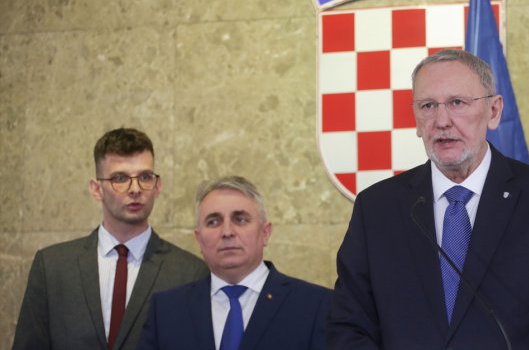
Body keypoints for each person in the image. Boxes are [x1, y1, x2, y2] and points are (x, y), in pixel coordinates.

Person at [327, 50, 529, 349]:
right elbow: (348, 325)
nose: (442, 121)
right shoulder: (377, 208)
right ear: (416, 120)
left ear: (494, 111)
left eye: (457, 103)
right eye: (428, 106)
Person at [12, 127, 209, 350]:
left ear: (157, 186)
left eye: (145, 177)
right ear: (97, 189)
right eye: (120, 178)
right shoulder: (52, 268)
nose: (135, 189)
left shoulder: (190, 274)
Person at [138, 175, 332, 350]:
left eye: (240, 220)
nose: (227, 232)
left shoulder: (316, 306)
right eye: (213, 222)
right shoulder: (166, 310)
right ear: (199, 239)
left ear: (265, 233)